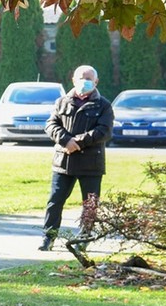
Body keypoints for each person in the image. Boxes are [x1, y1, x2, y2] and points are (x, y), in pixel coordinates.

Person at [41, 64, 113, 250]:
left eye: (89, 79)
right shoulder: (61, 102)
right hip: (63, 162)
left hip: (91, 163)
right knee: (55, 201)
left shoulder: (103, 105)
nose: (85, 82)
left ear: (96, 82)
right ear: (73, 80)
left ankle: (83, 239)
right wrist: (66, 141)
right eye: (81, 78)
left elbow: (104, 131)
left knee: (90, 204)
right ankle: (49, 237)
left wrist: (78, 143)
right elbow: (51, 125)